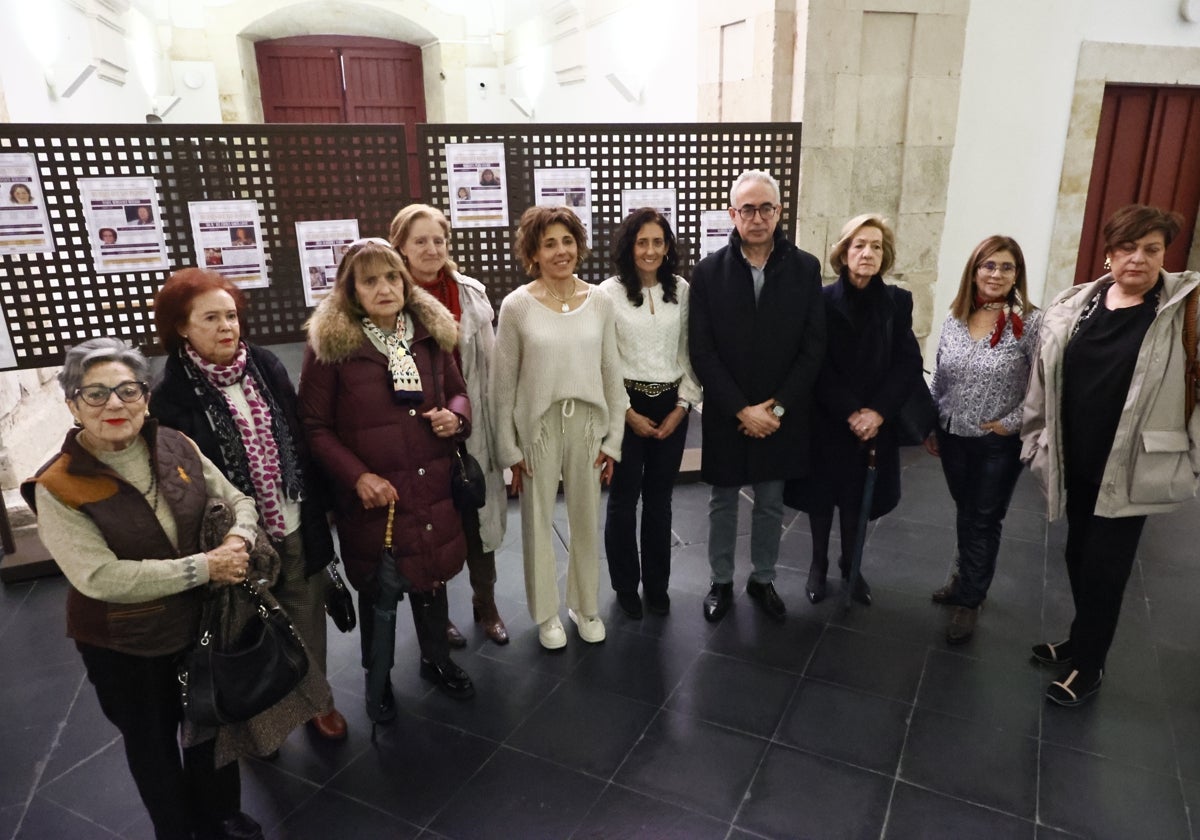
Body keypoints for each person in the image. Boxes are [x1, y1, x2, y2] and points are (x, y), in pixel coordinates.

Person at [21, 337, 264, 840]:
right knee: (152, 743)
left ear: (146, 397)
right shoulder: (58, 486)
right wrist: (206, 567)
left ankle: (220, 815)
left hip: (200, 626)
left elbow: (237, 498)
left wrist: (239, 538)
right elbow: (99, 577)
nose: (114, 404)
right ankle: (176, 829)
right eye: (95, 394)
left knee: (209, 726)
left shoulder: (177, 444)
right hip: (125, 644)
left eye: (127, 390)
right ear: (72, 404)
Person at [149, 268, 347, 741]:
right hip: (236, 535)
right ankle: (264, 720)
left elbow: (296, 437)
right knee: (249, 629)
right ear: (182, 328)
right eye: (210, 318)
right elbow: (181, 480)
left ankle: (318, 700)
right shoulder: (171, 393)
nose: (226, 327)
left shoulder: (263, 364)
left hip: (293, 514)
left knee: (306, 611)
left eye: (231, 316)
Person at [1023, 205, 1199, 707]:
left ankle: (1090, 665)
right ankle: (1080, 640)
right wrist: (1035, 439)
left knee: (1105, 568)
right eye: (1128, 248)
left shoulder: (1184, 309)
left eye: (1151, 249)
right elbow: (1044, 377)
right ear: (1109, 253)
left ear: (1166, 254)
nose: (1138, 260)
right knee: (1078, 554)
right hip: (1075, 459)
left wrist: (1193, 460)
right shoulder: (1077, 304)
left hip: (1133, 464)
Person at [299, 238, 474, 721]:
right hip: (376, 495)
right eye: (370, 280)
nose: (384, 288)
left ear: (405, 281)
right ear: (351, 290)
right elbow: (314, 426)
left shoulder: (428, 331)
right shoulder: (332, 345)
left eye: (392, 277)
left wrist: (455, 419)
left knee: (432, 577)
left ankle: (437, 659)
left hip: (432, 480)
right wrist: (357, 477)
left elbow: (459, 392)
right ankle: (377, 681)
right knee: (380, 586)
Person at [688, 169, 825, 624]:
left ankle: (763, 578)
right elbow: (702, 350)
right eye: (747, 208)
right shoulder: (708, 272)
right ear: (733, 214)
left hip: (782, 413)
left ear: (780, 211)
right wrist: (741, 409)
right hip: (730, 412)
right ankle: (721, 581)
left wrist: (777, 408)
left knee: (770, 501)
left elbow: (813, 347)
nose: (758, 217)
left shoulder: (805, 269)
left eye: (767, 207)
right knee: (723, 500)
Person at [491, 206, 627, 649]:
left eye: (567, 241)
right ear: (533, 251)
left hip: (588, 423)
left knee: (587, 520)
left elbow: (611, 371)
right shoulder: (516, 306)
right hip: (539, 427)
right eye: (549, 243)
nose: (560, 250)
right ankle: (547, 613)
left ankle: (585, 605)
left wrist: (614, 438)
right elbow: (502, 386)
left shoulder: (600, 301)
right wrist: (509, 451)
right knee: (537, 522)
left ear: (579, 245)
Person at [784, 214, 923, 607]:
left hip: (876, 422)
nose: (868, 253)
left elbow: (907, 363)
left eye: (876, 246)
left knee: (857, 495)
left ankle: (851, 563)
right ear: (843, 253)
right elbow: (816, 362)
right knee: (822, 494)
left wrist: (877, 413)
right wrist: (850, 411)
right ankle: (817, 565)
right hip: (829, 417)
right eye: (859, 245)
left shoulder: (898, 302)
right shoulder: (821, 301)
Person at [389, 203, 510, 645]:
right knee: (430, 528)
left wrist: (499, 438)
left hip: (471, 425)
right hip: (417, 433)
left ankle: (486, 603)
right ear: (400, 245)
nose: (431, 248)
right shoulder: (389, 297)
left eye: (438, 239)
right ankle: (437, 617)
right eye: (419, 240)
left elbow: (494, 372)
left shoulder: (471, 294)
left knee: (478, 517)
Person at [925, 236, 1041, 644]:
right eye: (988, 265)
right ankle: (964, 579)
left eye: (1006, 267)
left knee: (985, 516)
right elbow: (940, 373)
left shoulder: (1029, 324)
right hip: (953, 434)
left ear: (1017, 275)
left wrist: (1011, 423)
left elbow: (1040, 386)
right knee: (966, 508)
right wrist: (933, 421)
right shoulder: (956, 317)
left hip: (997, 441)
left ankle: (970, 600)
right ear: (974, 271)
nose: (996, 274)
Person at [599, 208, 701, 619]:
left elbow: (689, 352)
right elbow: (605, 360)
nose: (650, 250)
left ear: (668, 246)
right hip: (626, 406)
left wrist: (683, 406)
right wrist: (625, 413)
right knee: (623, 501)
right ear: (629, 245)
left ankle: (657, 586)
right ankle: (626, 586)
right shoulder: (607, 293)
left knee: (660, 502)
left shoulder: (682, 289)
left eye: (658, 241)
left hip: (671, 407)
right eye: (642, 241)